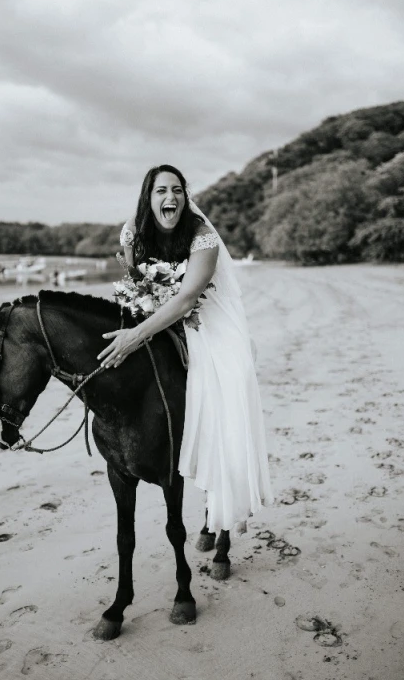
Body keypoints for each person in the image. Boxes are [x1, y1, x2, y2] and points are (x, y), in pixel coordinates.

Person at [98, 164, 273, 536]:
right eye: (161, 191)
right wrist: (132, 320)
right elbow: (133, 283)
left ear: (185, 195)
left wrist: (136, 336)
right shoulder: (132, 232)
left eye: (177, 190)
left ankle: (223, 505)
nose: (170, 198)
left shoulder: (202, 235)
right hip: (157, 312)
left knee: (232, 378)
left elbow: (187, 298)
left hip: (207, 318)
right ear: (148, 197)